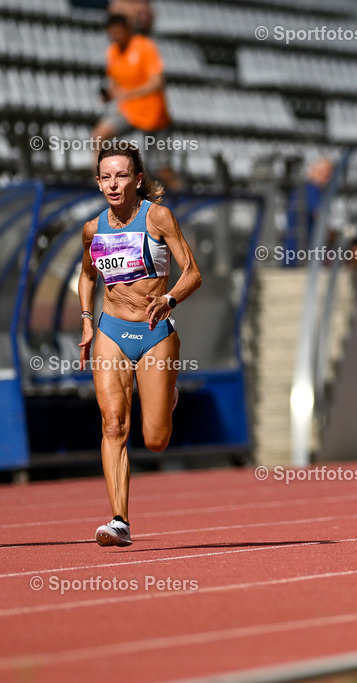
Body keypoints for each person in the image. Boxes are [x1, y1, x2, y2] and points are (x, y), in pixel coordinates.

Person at [79, 143, 201, 547]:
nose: (113, 184)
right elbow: (87, 276)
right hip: (111, 331)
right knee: (113, 424)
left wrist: (170, 299)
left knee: (155, 440)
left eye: (121, 176)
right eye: (106, 177)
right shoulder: (93, 229)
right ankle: (120, 521)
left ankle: (167, 395)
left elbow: (193, 273)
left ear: (138, 179)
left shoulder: (158, 217)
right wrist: (86, 320)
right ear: (99, 183)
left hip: (154, 333)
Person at [92, 14, 176, 188]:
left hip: (154, 113)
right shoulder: (113, 52)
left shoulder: (144, 46)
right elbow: (116, 83)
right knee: (99, 135)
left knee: (163, 170)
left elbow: (158, 81)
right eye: (112, 32)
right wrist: (110, 94)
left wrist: (129, 92)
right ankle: (102, 181)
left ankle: (185, 197)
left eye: (118, 31)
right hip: (130, 111)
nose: (116, 36)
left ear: (127, 30)